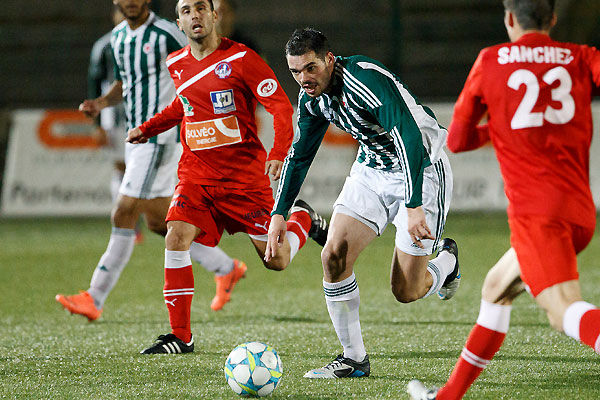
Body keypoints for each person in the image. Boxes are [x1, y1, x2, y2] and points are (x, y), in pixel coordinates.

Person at [407, 1, 600, 398]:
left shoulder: (491, 60)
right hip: (580, 210)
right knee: (496, 287)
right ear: (552, 20)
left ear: (510, 18)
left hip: (538, 216)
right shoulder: (582, 57)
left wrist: (497, 128)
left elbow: (457, 140)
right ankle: (447, 396)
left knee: (562, 310)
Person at [126, 0, 328, 354]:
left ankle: (303, 218)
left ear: (215, 15)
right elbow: (183, 105)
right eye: (186, 10)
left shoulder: (242, 59)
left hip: (244, 180)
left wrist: (279, 152)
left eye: (201, 8)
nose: (195, 15)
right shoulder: (176, 63)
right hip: (196, 175)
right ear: (179, 22)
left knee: (275, 260)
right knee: (175, 236)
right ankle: (180, 337)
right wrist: (148, 128)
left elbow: (281, 106)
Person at [266, 28, 460, 379]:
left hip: (420, 168)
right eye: (295, 72)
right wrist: (279, 213)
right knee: (333, 255)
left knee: (406, 290)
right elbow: (300, 155)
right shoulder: (311, 98)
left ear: (329, 59)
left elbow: (408, 136)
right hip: (372, 170)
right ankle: (354, 359)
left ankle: (446, 262)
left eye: (310, 68)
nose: (304, 79)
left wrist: (413, 203)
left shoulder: (362, 78)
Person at [56, 0, 244, 322]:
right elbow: (127, 83)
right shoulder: (117, 38)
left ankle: (94, 297)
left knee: (124, 210)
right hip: (137, 138)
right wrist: (101, 103)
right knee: (159, 221)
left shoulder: (168, 33)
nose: (130, 1)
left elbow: (203, 64)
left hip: (160, 138)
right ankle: (225, 268)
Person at [87, 6, 145, 244]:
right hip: (114, 115)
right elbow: (94, 82)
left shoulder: (145, 41)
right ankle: (128, 225)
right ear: (114, 15)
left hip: (141, 112)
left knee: (138, 169)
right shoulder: (104, 45)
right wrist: (98, 124)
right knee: (122, 168)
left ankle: (134, 223)